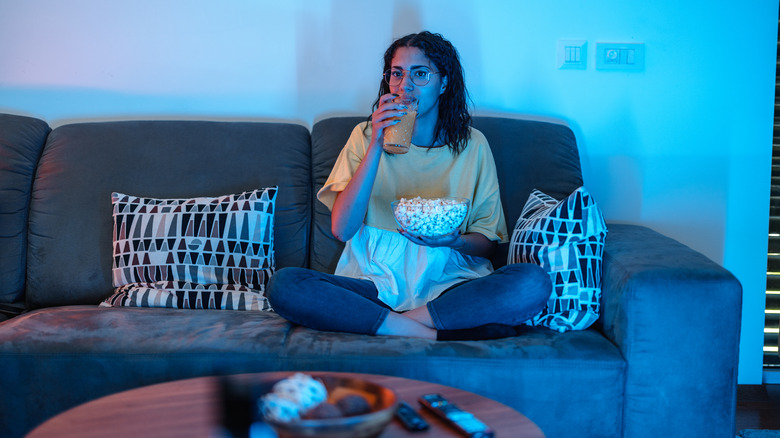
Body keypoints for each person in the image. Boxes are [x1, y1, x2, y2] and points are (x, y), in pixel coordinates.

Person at [266, 31, 550, 340]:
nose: (405, 86)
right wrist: (377, 143)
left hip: (450, 281)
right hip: (374, 283)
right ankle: (433, 332)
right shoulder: (364, 136)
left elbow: (488, 243)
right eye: (397, 74)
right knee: (285, 285)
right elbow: (342, 230)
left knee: (532, 282)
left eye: (420, 73)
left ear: (444, 83)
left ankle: (391, 323)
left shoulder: (473, 145)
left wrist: (453, 241)